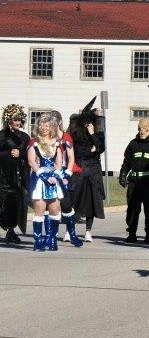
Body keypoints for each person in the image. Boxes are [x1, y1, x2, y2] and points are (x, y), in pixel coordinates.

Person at [118, 118, 149, 244]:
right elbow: (127, 161)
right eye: (140, 129)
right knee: (133, 209)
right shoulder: (133, 143)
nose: (142, 131)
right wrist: (123, 174)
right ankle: (131, 233)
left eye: (145, 129)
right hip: (134, 182)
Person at [69, 98, 105, 242]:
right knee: (74, 200)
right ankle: (69, 230)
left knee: (91, 201)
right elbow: (78, 151)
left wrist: (92, 135)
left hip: (93, 171)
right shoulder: (76, 134)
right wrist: (91, 150)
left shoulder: (97, 134)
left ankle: (88, 231)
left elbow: (100, 148)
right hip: (79, 170)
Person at [27, 113, 64, 251]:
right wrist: (42, 174)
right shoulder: (34, 142)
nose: (44, 128)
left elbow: (59, 162)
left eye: (47, 125)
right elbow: (32, 161)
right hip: (39, 179)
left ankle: (52, 240)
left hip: (53, 179)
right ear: (38, 126)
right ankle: (38, 241)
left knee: (55, 211)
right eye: (42, 125)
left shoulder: (57, 142)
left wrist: (56, 174)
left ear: (51, 127)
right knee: (40, 212)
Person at [51, 110, 83, 247]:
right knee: (51, 204)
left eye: (53, 121)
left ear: (59, 122)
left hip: (64, 172)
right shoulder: (46, 137)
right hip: (50, 173)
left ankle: (72, 234)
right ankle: (51, 236)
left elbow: (71, 158)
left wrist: (67, 174)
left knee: (65, 204)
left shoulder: (66, 137)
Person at [0, 104, 30, 244]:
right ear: (8, 120)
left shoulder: (25, 137)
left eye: (19, 119)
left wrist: (20, 154)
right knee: (4, 203)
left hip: (20, 174)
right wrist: (8, 153)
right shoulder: (2, 136)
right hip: (5, 175)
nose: (17, 122)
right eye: (14, 119)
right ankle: (8, 229)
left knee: (17, 203)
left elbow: (30, 155)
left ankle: (11, 231)